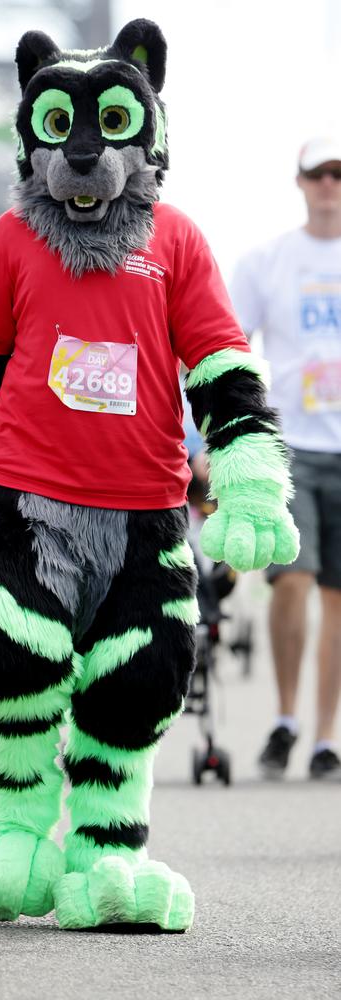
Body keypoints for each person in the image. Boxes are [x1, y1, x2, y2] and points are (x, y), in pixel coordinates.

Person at [0, 20, 298, 932]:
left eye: (108, 124)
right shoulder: (11, 240)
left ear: (145, 130)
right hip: (21, 502)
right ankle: (16, 826)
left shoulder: (177, 240)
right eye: (60, 127)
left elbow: (222, 366)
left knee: (140, 681)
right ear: (31, 135)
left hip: (143, 510)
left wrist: (252, 481)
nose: (82, 153)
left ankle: (108, 857)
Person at [230, 137, 341, 781]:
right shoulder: (268, 261)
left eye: (338, 174)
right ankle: (285, 717)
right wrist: (213, 440)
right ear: (299, 182)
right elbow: (227, 345)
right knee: (292, 581)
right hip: (292, 442)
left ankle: (328, 735)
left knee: (338, 596)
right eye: (317, 174)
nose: (329, 184)